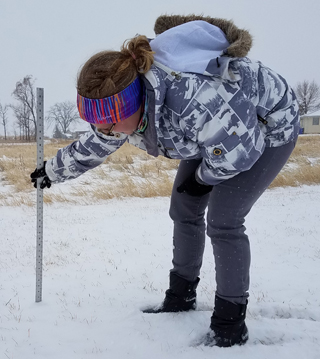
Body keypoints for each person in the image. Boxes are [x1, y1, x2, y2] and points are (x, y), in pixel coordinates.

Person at [31, 14, 300, 347]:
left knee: (224, 220)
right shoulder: (126, 110)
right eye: (97, 122)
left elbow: (237, 153)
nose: (105, 132)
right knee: (183, 206)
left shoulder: (191, 99)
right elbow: (96, 144)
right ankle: (181, 295)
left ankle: (230, 323)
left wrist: (203, 178)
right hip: (213, 134)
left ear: (132, 103)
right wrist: (51, 171)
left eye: (110, 123)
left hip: (265, 127)